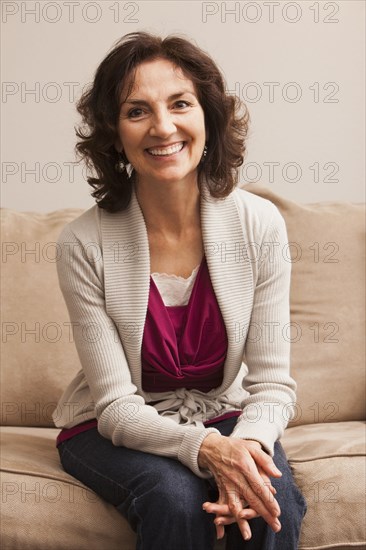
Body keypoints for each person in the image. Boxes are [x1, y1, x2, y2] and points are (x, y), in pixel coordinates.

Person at [53, 31, 307, 550]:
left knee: (265, 501)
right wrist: (206, 449)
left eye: (180, 104)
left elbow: (273, 386)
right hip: (108, 428)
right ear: (113, 133)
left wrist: (245, 447)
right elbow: (117, 408)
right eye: (137, 111)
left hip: (226, 412)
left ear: (208, 116)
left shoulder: (260, 225)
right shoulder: (82, 242)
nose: (163, 127)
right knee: (172, 498)